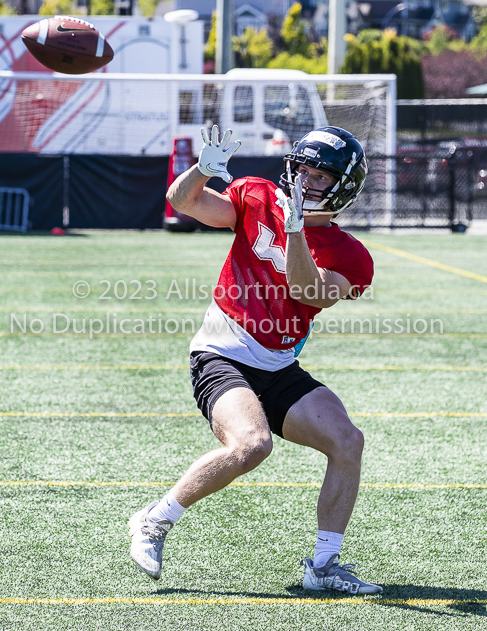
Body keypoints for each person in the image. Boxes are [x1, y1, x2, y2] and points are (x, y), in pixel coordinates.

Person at [128, 124, 382, 595]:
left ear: (343, 186)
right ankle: (153, 520)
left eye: (320, 175)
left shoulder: (352, 256)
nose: (305, 180)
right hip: (221, 351)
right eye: (302, 168)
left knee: (347, 441)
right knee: (251, 445)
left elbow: (308, 290)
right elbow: (184, 202)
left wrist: (296, 232)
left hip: (277, 365)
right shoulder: (257, 196)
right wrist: (201, 172)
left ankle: (324, 567)